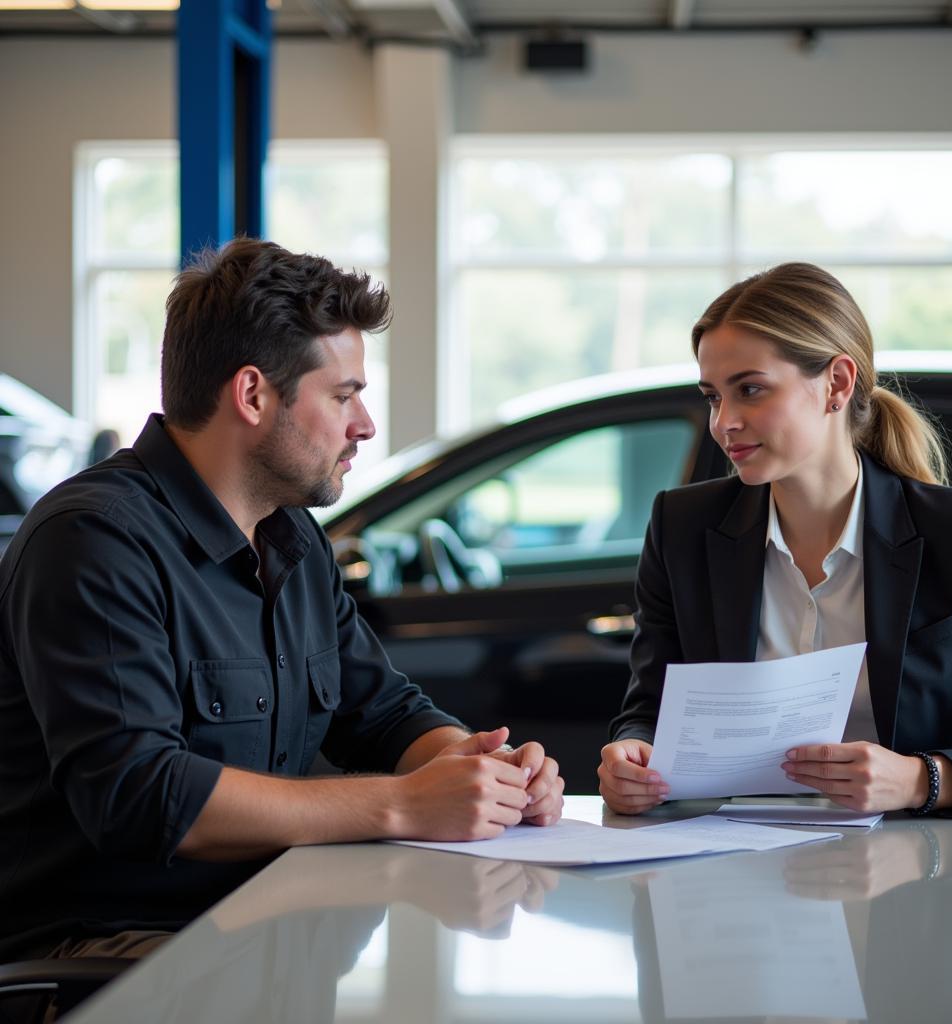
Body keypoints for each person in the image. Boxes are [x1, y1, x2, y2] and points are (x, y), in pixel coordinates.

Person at [0, 238, 563, 968]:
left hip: (262, 924)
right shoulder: (94, 540)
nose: (364, 426)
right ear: (253, 394)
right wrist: (404, 804)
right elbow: (140, 794)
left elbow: (383, 712)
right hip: (106, 953)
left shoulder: (289, 534)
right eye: (343, 395)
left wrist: (482, 767)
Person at [599, 262, 952, 818]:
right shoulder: (681, 527)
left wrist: (923, 779)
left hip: (911, 876)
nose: (724, 421)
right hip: (725, 868)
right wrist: (633, 754)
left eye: (750, 390)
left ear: (838, 384)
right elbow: (650, 709)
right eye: (712, 397)